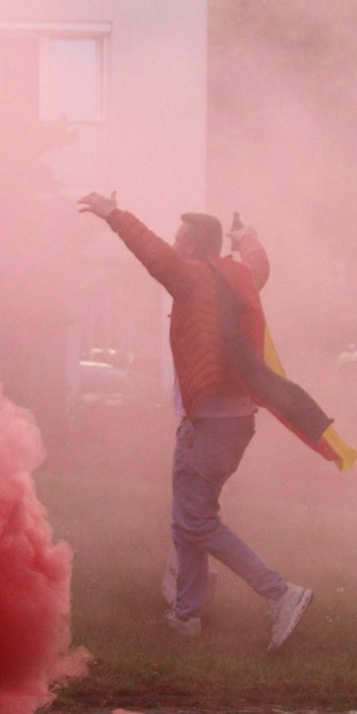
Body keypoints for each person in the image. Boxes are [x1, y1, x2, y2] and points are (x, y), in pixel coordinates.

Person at [78, 191, 313, 650]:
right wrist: (249, 238)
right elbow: (259, 266)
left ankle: (280, 593)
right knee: (187, 519)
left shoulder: (189, 278)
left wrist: (113, 214)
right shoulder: (235, 277)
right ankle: (186, 616)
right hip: (231, 420)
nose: (173, 242)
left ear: (190, 246)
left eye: (179, 238)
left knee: (197, 523)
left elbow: (153, 254)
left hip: (208, 425)